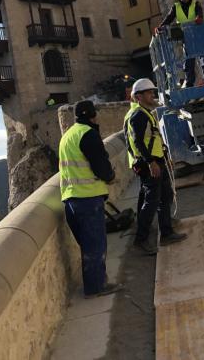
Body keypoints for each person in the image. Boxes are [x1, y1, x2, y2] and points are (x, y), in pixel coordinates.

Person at [59, 100, 120, 298]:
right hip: (88, 197)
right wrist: (110, 177)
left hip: (70, 199)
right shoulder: (88, 134)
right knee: (95, 244)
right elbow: (100, 164)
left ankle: (92, 284)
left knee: (87, 244)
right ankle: (96, 287)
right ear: (92, 115)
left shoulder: (67, 136)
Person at [124, 78, 187, 254]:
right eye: (149, 93)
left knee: (164, 195)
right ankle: (141, 240)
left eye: (152, 92)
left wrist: (165, 157)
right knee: (151, 202)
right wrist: (150, 162)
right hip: (149, 164)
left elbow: (152, 138)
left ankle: (166, 232)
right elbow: (137, 142)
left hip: (156, 161)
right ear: (138, 96)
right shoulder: (138, 115)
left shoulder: (143, 112)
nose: (152, 95)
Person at [155, 0, 204, 87]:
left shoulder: (196, 4)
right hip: (186, 37)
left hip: (199, 35)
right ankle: (189, 82)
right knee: (189, 61)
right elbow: (169, 18)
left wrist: (199, 17)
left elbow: (199, 13)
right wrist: (161, 26)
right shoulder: (175, 7)